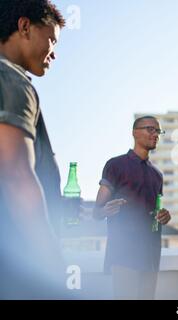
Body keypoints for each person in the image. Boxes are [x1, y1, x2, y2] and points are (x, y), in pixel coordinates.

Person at [0, 0, 68, 299]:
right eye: (51, 39)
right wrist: (50, 254)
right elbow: (16, 175)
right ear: (24, 26)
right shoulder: (13, 81)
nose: (54, 52)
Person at [93, 116, 171, 300]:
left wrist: (164, 216)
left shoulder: (157, 175)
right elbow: (97, 213)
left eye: (157, 131)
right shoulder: (115, 165)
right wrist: (106, 210)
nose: (155, 134)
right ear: (135, 132)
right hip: (124, 253)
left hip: (151, 254)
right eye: (150, 129)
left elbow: (155, 211)